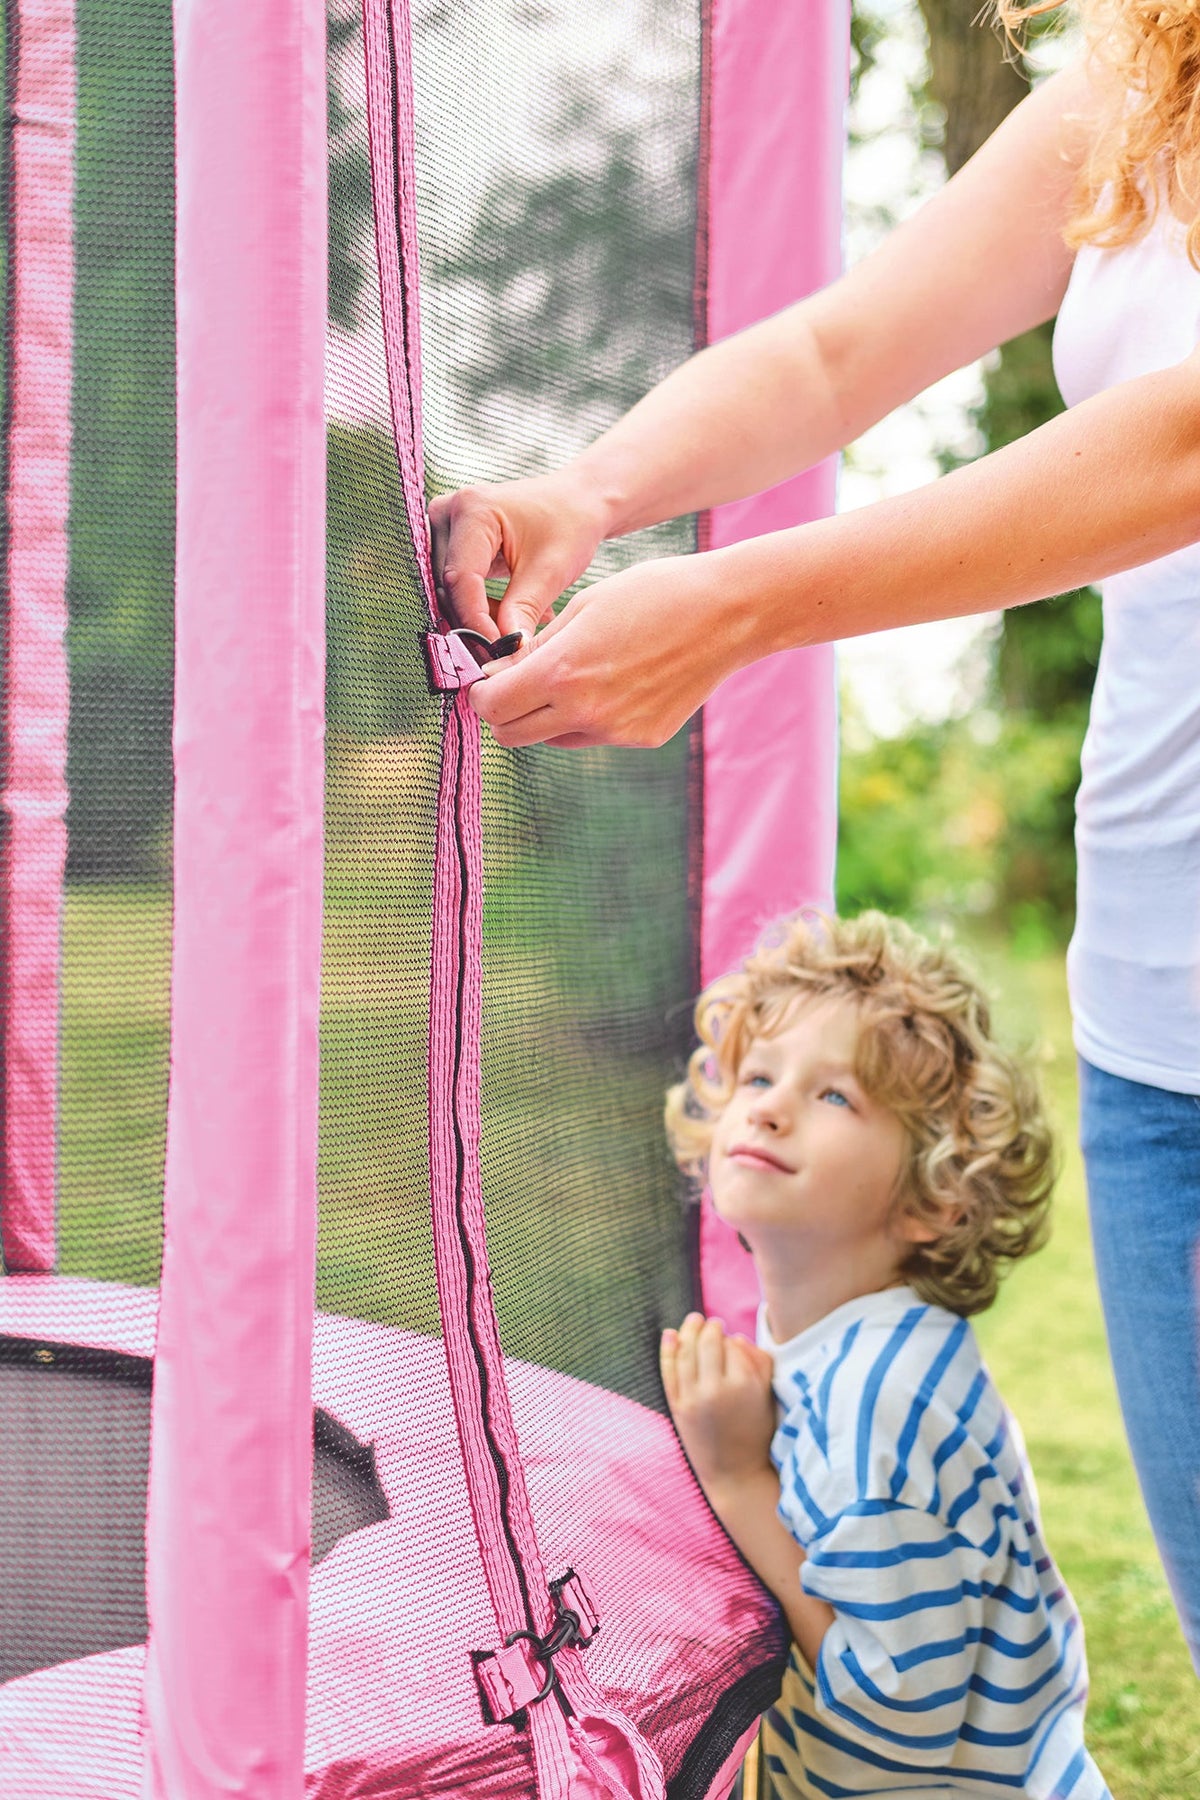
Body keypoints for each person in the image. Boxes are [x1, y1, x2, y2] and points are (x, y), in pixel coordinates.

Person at [429, 0, 1200, 1668]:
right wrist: (592, 495)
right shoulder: (1145, 80)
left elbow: (1179, 445)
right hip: (1163, 1021)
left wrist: (733, 610)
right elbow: (836, 358)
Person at [657, 910, 1107, 1799]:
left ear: (933, 1197)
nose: (769, 1107)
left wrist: (740, 1477)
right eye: (759, 1075)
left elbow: (895, 1726)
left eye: (835, 1096)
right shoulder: (846, 1339)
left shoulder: (880, 1402)